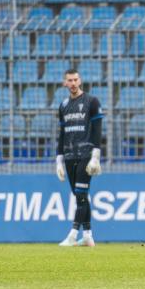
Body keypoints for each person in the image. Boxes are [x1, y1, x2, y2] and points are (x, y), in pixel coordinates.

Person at [55, 69, 103, 247]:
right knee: (79, 196)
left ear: (80, 81)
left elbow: (98, 130)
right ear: (65, 83)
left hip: (86, 155)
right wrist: (59, 160)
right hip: (69, 156)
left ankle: (73, 235)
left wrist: (95, 156)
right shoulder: (63, 105)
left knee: (81, 195)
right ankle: (88, 235)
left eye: (76, 79)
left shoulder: (92, 101)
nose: (73, 83)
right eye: (70, 80)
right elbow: (62, 134)